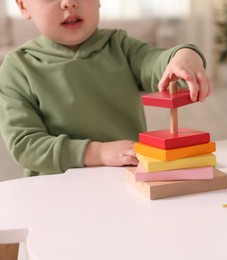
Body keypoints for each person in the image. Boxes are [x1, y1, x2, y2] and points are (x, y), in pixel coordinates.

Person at [0, 0, 212, 177]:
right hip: (57, 192)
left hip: (127, 179)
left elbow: (155, 62)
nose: (69, 3)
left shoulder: (119, 45)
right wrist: (97, 153)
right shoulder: (17, 68)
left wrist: (183, 56)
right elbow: (25, 145)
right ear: (23, 7)